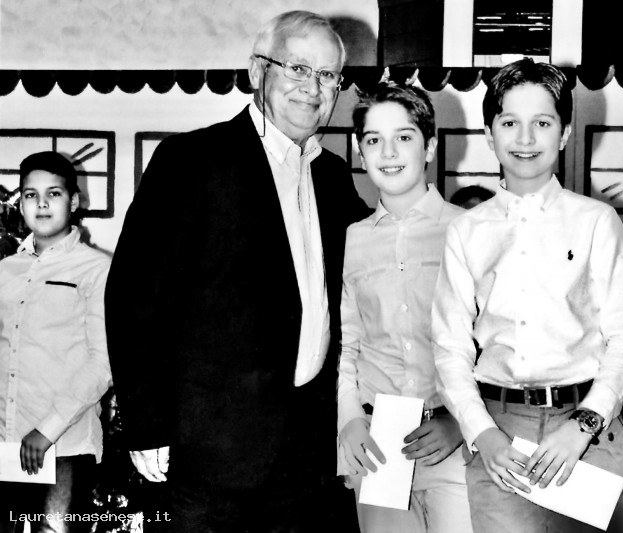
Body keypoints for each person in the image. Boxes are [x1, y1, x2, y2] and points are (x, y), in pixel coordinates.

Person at [104, 10, 370, 533]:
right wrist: (146, 424)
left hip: (306, 454)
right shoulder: (191, 159)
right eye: (298, 68)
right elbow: (135, 297)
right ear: (256, 71)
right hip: (208, 450)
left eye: (327, 75)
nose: (313, 88)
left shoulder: (333, 176)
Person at [431, 59, 623, 533]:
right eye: (510, 122)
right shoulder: (466, 231)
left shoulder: (596, 222)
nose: (526, 138)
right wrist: (483, 434)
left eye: (543, 123)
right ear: (489, 134)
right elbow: (449, 347)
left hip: (587, 432)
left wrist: (585, 424)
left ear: (565, 132)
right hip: (500, 435)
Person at [337, 82, 472, 533]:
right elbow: (347, 343)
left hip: (455, 440)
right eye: (374, 139)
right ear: (360, 151)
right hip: (378, 442)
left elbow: (494, 343)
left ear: (429, 146)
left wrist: (460, 422)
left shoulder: (468, 230)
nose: (389, 152)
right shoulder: (352, 239)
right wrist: (350, 418)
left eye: (404, 137)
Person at [0, 151, 112, 533]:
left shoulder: (97, 269)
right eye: (31, 195)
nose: (42, 204)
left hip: (64, 447)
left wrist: (46, 430)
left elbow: (103, 363)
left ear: (74, 201)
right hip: (5, 444)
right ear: (21, 204)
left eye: (54, 193)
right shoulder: (6, 270)